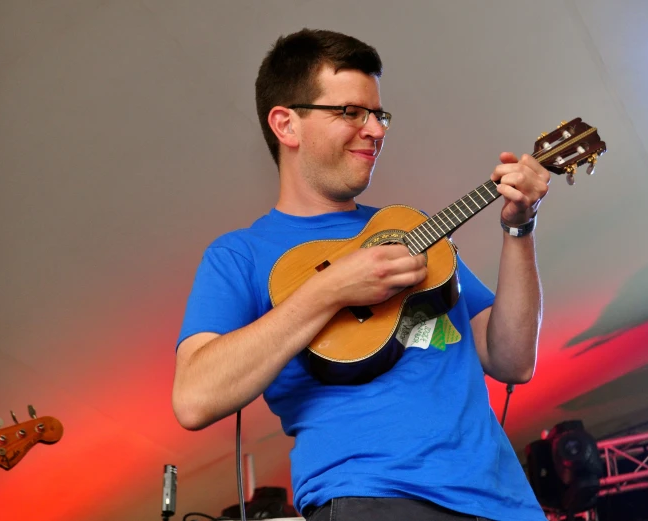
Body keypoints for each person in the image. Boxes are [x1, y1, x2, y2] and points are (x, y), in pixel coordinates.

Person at [172, 28, 550, 521]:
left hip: (508, 504)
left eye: (379, 114)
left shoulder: (409, 229)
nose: (376, 129)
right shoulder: (239, 256)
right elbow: (194, 399)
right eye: (351, 112)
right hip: (372, 498)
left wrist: (520, 230)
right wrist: (329, 290)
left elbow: (513, 360)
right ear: (287, 125)